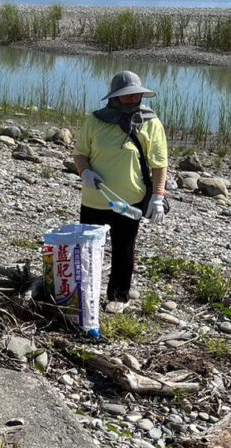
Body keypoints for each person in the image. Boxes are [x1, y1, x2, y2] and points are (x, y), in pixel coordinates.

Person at [72, 70, 169, 308]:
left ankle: (118, 297)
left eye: (136, 95)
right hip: (95, 199)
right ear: (114, 96)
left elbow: (159, 163)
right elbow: (80, 154)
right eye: (126, 95)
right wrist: (85, 172)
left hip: (130, 201)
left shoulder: (151, 122)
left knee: (123, 250)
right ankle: (86, 293)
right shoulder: (95, 120)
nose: (132, 99)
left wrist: (158, 196)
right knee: (88, 249)